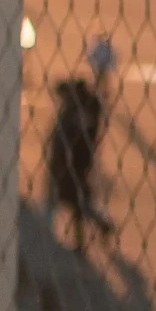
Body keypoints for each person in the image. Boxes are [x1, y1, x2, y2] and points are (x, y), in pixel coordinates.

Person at [46, 75, 115, 253]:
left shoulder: (79, 112)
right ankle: (94, 230)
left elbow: (68, 139)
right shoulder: (86, 109)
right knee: (77, 202)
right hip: (78, 162)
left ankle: (97, 227)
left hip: (74, 163)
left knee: (75, 202)